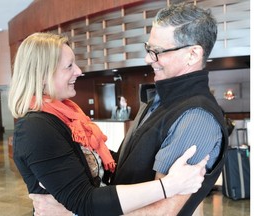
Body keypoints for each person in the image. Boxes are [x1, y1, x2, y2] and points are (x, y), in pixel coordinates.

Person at [30, 2, 229, 216]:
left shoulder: (195, 117)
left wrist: (72, 214)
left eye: (157, 52)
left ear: (192, 54)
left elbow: (161, 211)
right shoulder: (161, 99)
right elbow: (134, 163)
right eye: (148, 49)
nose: (147, 59)